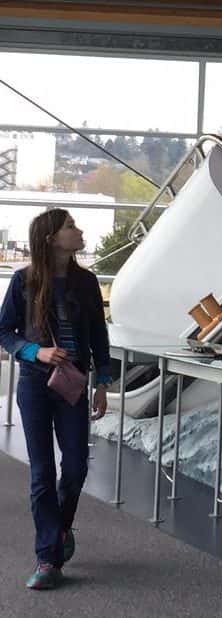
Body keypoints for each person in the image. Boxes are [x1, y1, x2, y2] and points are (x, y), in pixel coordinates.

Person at [0, 208, 112, 590]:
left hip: (73, 385)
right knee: (42, 472)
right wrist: (35, 352)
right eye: (70, 227)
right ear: (51, 238)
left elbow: (99, 333)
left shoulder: (86, 281)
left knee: (77, 467)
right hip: (34, 384)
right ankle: (48, 558)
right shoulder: (24, 280)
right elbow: (4, 332)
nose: (78, 231)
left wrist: (103, 383)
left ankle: (59, 531)